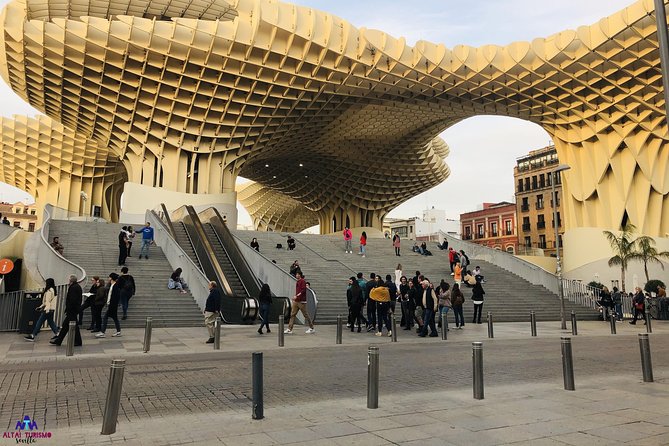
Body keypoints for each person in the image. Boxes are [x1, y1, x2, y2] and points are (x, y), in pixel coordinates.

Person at [50, 275, 83, 346]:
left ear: (71, 281)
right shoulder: (76, 286)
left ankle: (77, 341)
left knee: (73, 326)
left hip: (72, 310)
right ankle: (59, 340)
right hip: (73, 310)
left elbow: (72, 300)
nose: (68, 281)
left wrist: (68, 309)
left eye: (69, 280)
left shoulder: (73, 288)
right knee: (65, 326)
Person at [96, 273, 122, 338]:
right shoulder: (112, 285)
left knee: (105, 318)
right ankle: (118, 331)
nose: (108, 278)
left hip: (112, 305)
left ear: (111, 278)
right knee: (115, 318)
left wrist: (111, 305)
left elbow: (115, 297)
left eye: (109, 277)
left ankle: (102, 332)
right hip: (112, 305)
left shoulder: (115, 286)